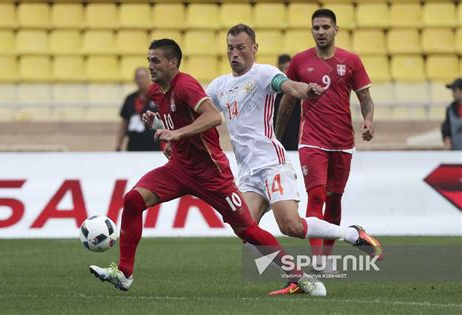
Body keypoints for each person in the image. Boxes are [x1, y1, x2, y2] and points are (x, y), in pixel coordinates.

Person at [89, 39, 325, 297]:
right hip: (179, 168)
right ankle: (124, 273)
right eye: (148, 61)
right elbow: (174, 124)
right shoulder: (157, 91)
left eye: (155, 61)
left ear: (173, 63)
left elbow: (214, 116)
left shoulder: (186, 85)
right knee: (133, 199)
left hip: (211, 174)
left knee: (247, 230)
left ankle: (299, 277)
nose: (150, 66)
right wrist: (159, 127)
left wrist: (176, 134)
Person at [207, 24, 383, 296]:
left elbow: (288, 86)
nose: (235, 53)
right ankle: (296, 277)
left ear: (254, 48)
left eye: (241, 47)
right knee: (245, 232)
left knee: (290, 226)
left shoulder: (264, 74)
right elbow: (199, 114)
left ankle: (352, 234)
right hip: (248, 172)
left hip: (272, 164)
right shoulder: (219, 86)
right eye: (230, 47)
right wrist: (163, 124)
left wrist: (306, 91)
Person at [275, 9, 376, 266]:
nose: (321, 32)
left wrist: (368, 120)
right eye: (316, 28)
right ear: (312, 31)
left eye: (325, 27)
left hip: (343, 142)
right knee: (316, 196)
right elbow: (287, 104)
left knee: (334, 198)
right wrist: (275, 138)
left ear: (335, 30)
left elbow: (365, 98)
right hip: (311, 140)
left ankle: (327, 259)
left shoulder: (351, 61)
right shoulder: (299, 62)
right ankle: (318, 260)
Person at [115, 67, 160, 151]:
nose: (141, 80)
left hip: (155, 145)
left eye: (143, 77)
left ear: (149, 78)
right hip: (133, 145)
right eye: (138, 78)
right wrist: (118, 145)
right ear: (135, 80)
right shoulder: (130, 99)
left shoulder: (157, 97)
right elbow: (124, 123)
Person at [273, 54, 301, 150]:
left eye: (288, 69)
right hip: (277, 132)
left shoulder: (296, 88)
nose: (286, 72)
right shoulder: (273, 90)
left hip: (295, 133)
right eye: (284, 68)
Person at [441, 78, 462, 150]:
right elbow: (447, 128)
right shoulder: (450, 109)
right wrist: (447, 140)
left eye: (454, 90)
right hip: (455, 152)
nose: (452, 94)